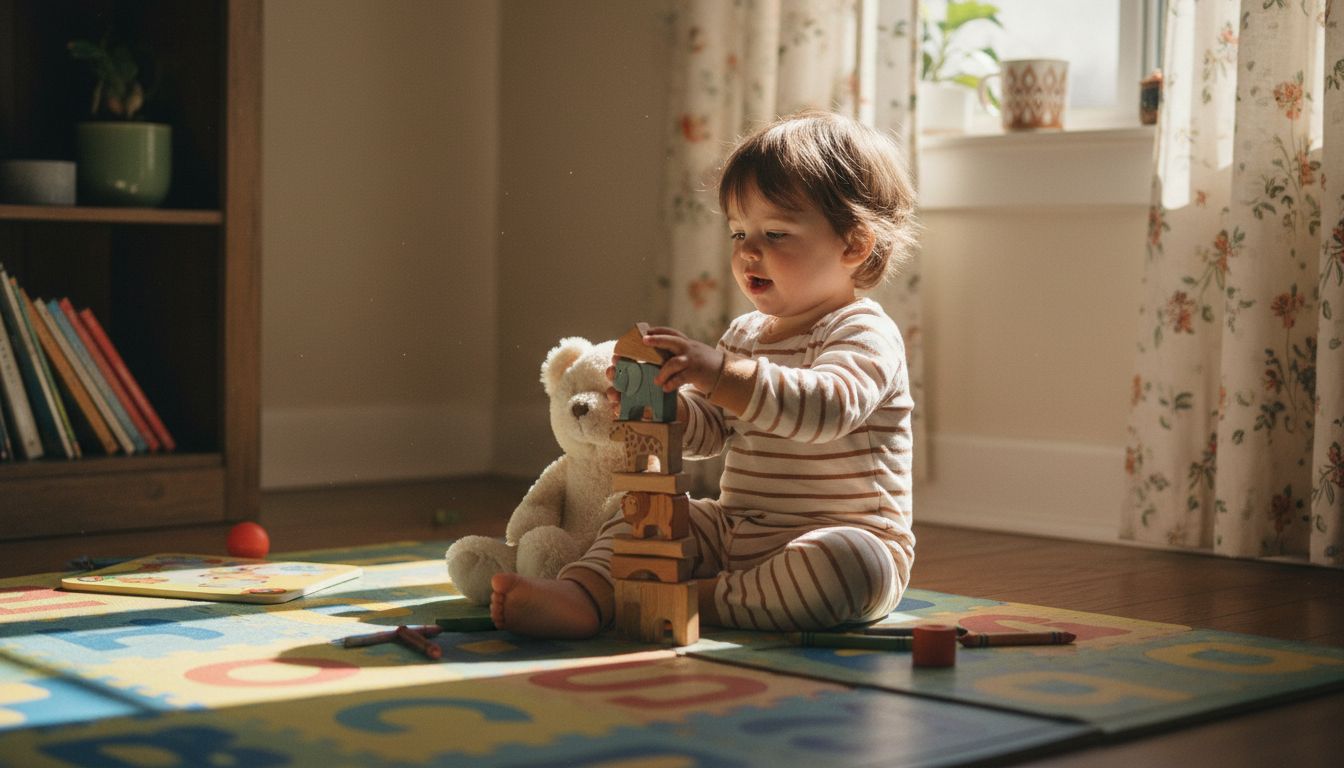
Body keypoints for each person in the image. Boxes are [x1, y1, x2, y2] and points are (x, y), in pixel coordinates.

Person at [491, 110, 918, 639]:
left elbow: (823, 410)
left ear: (854, 245)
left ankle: (691, 599)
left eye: (776, 233)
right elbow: (710, 432)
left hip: (842, 537)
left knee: (849, 566)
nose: (747, 251)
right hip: (737, 529)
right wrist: (657, 403)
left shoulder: (863, 331)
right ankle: (586, 593)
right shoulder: (745, 334)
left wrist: (720, 372)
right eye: (739, 232)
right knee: (640, 513)